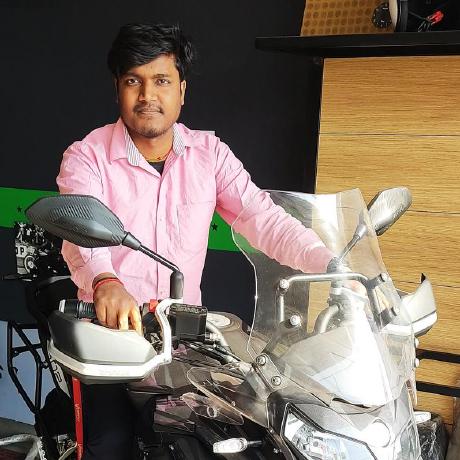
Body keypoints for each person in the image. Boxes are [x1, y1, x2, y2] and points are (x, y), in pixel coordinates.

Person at [56, 23, 334, 460]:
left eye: (162, 81)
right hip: (109, 335)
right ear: (118, 89)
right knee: (109, 446)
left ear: (182, 90)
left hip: (184, 340)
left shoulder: (210, 154)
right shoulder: (87, 156)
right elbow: (81, 234)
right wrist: (105, 280)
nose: (148, 95)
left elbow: (262, 218)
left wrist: (330, 263)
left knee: (214, 440)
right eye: (133, 81)